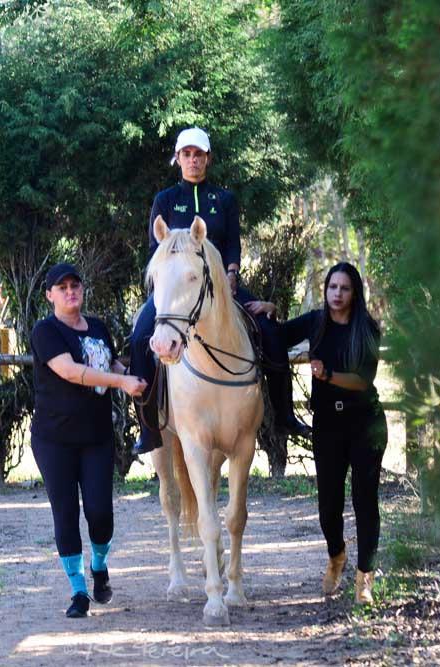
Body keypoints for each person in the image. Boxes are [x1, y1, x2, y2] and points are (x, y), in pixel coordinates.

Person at [129, 127, 310, 455]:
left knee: (269, 330)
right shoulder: (165, 200)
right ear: (178, 158)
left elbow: (233, 245)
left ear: (208, 158)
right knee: (140, 336)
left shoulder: (224, 199)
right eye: (187, 154)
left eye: (199, 154)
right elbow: (155, 251)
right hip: (175, 291)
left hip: (222, 286)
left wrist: (231, 275)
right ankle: (148, 428)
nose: (193, 160)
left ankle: (283, 415)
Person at [246, 262, 387, 604]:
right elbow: (277, 338)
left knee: (364, 502)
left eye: (344, 288)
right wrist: (270, 312)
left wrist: (326, 376)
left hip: (365, 423)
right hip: (328, 426)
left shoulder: (366, 328)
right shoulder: (316, 322)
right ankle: (337, 557)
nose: (336, 294)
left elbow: (362, 380)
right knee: (328, 506)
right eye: (332, 287)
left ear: (355, 294)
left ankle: (364, 578)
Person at [30, 262, 148, 618]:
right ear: (50, 294)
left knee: (99, 512)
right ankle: (79, 592)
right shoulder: (45, 331)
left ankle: (99, 566)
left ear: (82, 290)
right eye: (61, 287)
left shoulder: (98, 327)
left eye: (75, 285)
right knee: (66, 513)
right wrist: (121, 384)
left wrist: (135, 378)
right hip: (54, 440)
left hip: (96, 437)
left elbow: (109, 364)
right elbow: (71, 372)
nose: (70, 291)